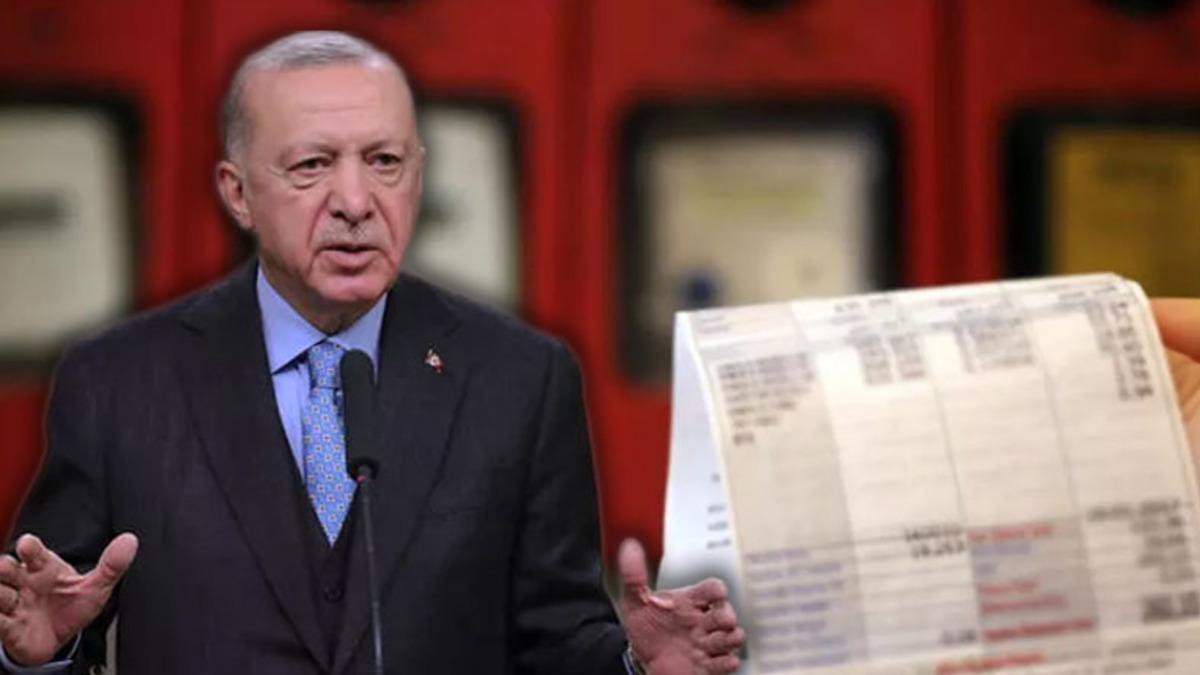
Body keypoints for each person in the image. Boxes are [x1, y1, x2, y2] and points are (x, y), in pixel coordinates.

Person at [0, 32, 745, 674]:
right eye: (311, 166)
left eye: (384, 161)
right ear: (237, 193)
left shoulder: (521, 380)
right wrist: (34, 655)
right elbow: (51, 614)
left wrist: (635, 663)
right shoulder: (122, 383)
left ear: (418, 175)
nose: (355, 202)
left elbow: (555, 641)